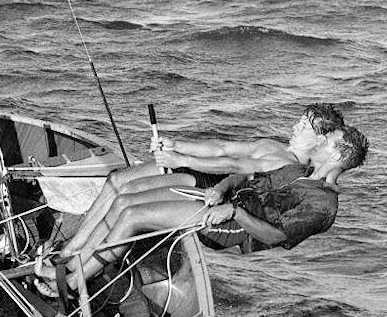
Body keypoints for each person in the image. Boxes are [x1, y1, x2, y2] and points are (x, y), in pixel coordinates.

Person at [36, 125, 369, 296]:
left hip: (235, 229)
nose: (320, 140)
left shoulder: (323, 203)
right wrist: (221, 188)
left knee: (133, 216)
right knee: (125, 201)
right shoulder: (301, 172)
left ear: (338, 156)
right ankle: (74, 260)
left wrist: (234, 213)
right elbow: (245, 174)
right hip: (222, 204)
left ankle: (77, 280)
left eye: (328, 140)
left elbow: (276, 236)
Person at [60, 103, 346, 257]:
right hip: (203, 173)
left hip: (209, 187)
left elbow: (233, 165)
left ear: (319, 139)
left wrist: (181, 160)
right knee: (116, 182)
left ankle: (77, 254)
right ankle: (75, 245)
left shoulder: (289, 165)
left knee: (128, 194)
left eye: (304, 126)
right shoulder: (276, 145)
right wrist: (176, 144)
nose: (295, 126)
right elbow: (221, 147)